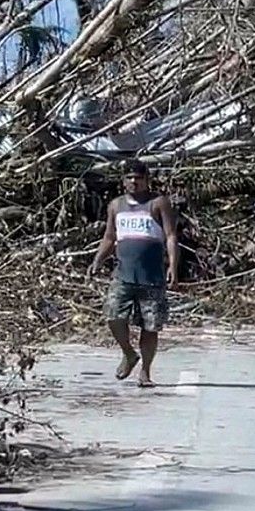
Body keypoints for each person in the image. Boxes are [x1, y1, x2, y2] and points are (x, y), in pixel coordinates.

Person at [89, 159, 180, 388]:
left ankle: (145, 372)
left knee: (150, 326)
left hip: (151, 277)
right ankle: (129, 354)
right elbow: (110, 238)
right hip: (123, 275)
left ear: (147, 180)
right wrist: (97, 261)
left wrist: (173, 267)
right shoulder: (116, 206)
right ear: (123, 181)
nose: (134, 182)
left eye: (138, 178)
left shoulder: (158, 203)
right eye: (129, 178)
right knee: (113, 316)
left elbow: (170, 236)